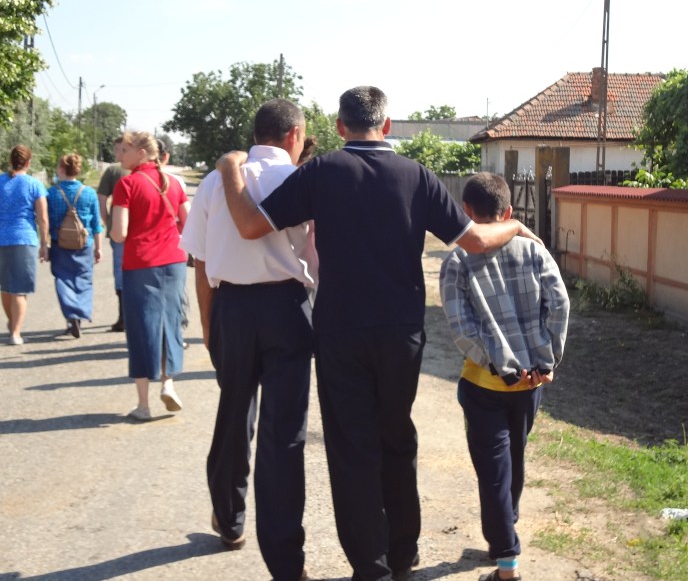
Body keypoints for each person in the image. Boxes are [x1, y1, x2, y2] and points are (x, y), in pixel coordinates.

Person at [216, 86, 541, 581]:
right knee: (397, 435)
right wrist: (515, 229)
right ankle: (404, 552)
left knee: (351, 447)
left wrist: (230, 170)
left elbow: (247, 225)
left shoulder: (321, 171)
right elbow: (475, 241)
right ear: (386, 126)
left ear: (342, 127)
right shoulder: (417, 176)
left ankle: (371, 566)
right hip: (401, 333)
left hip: (340, 331)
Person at [180, 99, 317, 581]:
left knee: (234, 411)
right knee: (286, 434)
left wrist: (208, 323)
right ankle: (284, 555)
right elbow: (316, 259)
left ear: (257, 133)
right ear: (294, 134)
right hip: (287, 309)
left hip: (231, 308)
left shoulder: (217, 182)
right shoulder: (302, 180)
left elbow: (198, 260)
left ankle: (230, 518)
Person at [439, 173, 570, 581]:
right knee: (514, 460)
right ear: (509, 212)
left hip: (484, 385)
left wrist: (497, 364)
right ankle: (504, 534)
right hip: (530, 384)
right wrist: (546, 360)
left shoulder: (457, 260)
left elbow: (462, 329)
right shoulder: (535, 252)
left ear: (466, 211)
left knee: (493, 468)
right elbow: (560, 304)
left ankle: (507, 559)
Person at [110, 131, 189, 421]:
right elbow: (189, 223)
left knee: (142, 328)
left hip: (141, 263)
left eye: (125, 151)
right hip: (174, 261)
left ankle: (143, 405)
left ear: (142, 152)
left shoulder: (127, 184)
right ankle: (168, 383)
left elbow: (120, 232)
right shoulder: (173, 183)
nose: (119, 156)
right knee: (171, 322)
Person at [45, 153, 104, 338]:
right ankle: (79, 314)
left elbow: (45, 221)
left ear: (62, 169)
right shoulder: (88, 193)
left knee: (63, 279)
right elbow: (96, 224)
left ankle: (71, 316)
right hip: (84, 244)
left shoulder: (52, 193)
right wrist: (99, 248)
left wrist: (44, 244)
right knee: (84, 280)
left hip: (59, 243)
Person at [0, 145, 49, 345]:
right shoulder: (34, 185)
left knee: (5, 287)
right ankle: (16, 333)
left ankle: (12, 324)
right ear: (28, 162)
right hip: (24, 238)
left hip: (2, 238)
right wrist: (44, 243)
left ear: (11, 161)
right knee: (20, 289)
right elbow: (43, 218)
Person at [157, 138, 191, 347]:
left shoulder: (131, 181)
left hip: (144, 248)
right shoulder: (176, 182)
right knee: (177, 290)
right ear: (166, 156)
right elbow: (187, 219)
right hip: (173, 243)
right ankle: (178, 330)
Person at [97, 138, 130, 332]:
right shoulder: (139, 170)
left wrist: (108, 220)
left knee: (120, 270)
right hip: (139, 229)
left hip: (119, 229)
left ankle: (123, 317)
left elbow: (102, 198)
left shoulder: (112, 171)